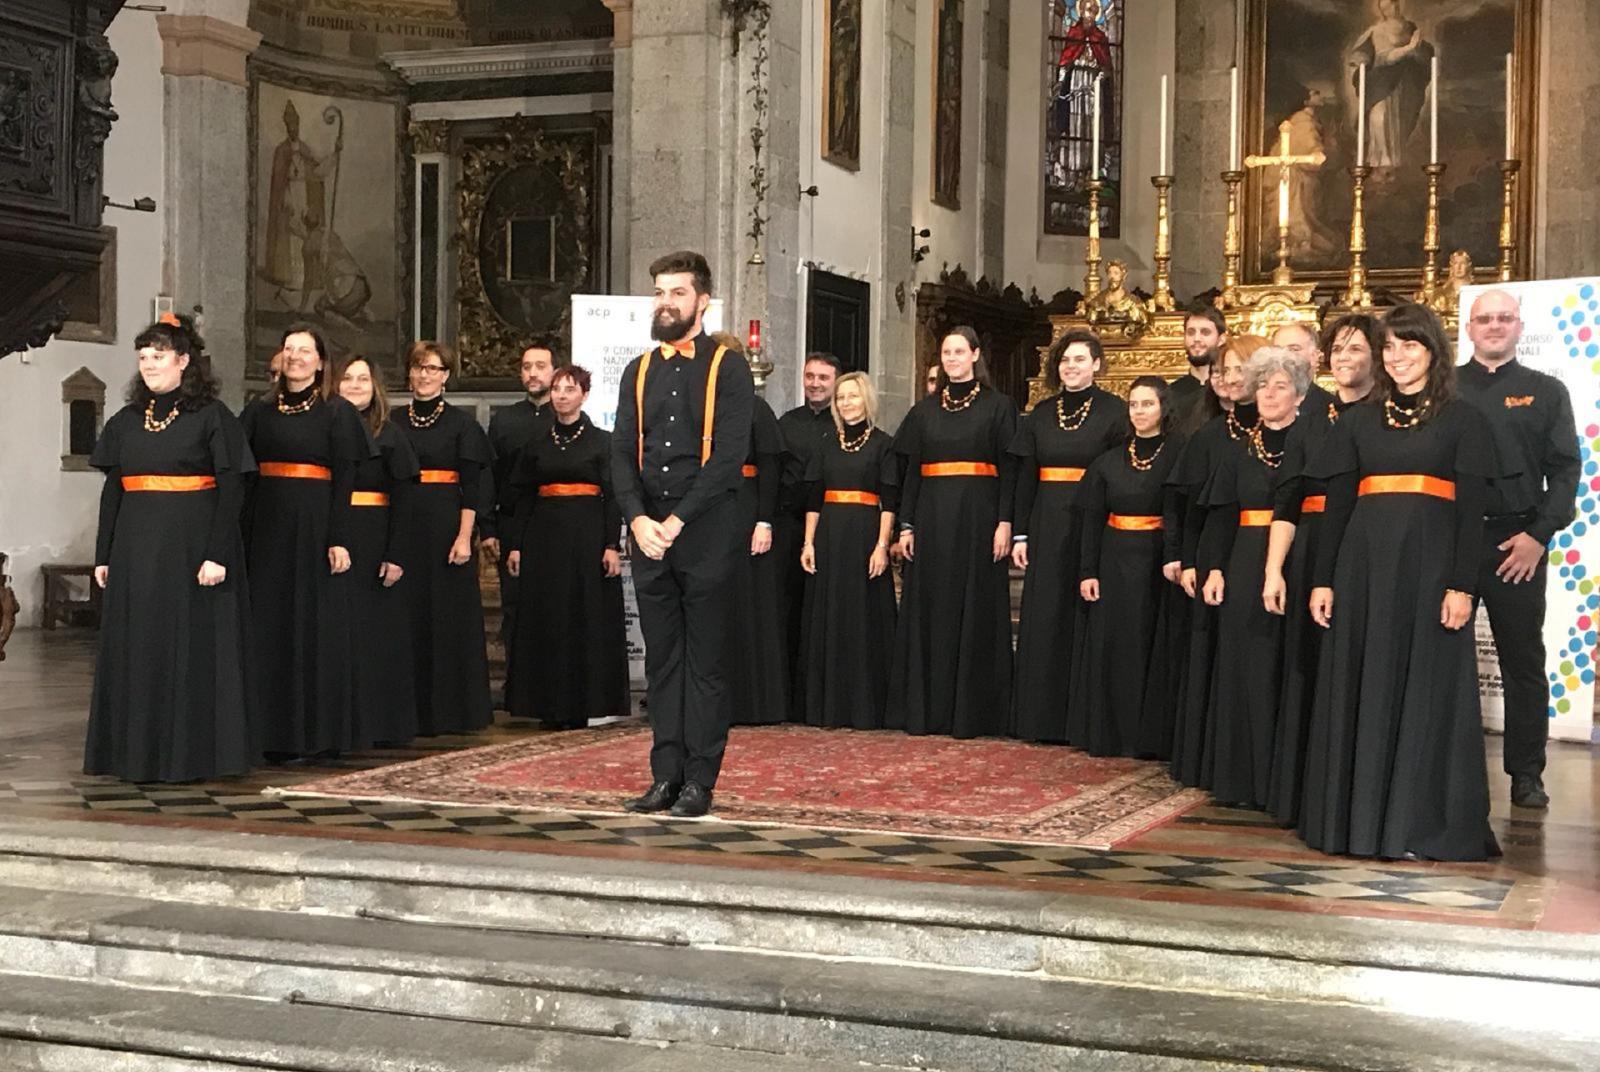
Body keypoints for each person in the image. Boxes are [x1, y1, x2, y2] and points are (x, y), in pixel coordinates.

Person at [1302, 303, 1500, 861]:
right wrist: (1323, 581)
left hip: (1431, 576)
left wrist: (1464, 585)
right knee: (1361, 684)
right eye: (1389, 347)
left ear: (1434, 351)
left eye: (1409, 346)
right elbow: (1338, 504)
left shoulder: (1465, 420)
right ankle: (1358, 824)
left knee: (1426, 691)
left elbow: (1471, 514)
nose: (1398, 357)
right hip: (1361, 574)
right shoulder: (1360, 421)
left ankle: (1418, 826)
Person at [611, 251, 754, 818]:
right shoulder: (638, 370)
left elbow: (727, 459)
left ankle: (700, 779)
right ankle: (664, 775)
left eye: (676, 292)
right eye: (659, 292)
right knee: (663, 661)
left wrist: (675, 521)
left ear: (702, 302)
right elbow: (621, 452)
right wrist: (638, 519)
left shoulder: (728, 367)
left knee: (706, 662)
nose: (664, 301)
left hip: (705, 530)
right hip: (649, 535)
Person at [86, 315, 258, 782]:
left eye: (158, 356)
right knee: (139, 646)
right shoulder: (126, 421)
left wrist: (218, 554)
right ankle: (133, 752)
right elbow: (114, 491)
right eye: (143, 357)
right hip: (136, 554)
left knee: (189, 648)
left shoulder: (212, 417)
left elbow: (232, 489)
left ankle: (190, 754)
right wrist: (103, 554)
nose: (148, 365)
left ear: (184, 361)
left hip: (192, 552)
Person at [1458, 289, 1580, 809]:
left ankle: (1527, 773)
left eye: (1504, 318)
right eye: (1485, 319)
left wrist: (1539, 535)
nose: (1494, 326)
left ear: (1519, 326)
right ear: (1469, 327)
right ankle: (1451, 769)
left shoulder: (1546, 391)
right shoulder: (1445, 388)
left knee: (1523, 660)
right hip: (1454, 540)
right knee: (1446, 659)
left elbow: (1566, 471)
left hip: (1519, 543)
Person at [1262, 314, 1379, 825]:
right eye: (1337, 350)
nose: (1345, 358)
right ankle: (1308, 794)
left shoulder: (1389, 414)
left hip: (1372, 551)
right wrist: (1274, 570)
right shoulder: (1315, 417)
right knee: (1308, 672)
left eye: (1356, 348)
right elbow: (1286, 498)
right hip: (1312, 553)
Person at [240, 325, 369, 757]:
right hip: (267, 526)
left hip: (315, 528)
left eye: (304, 350)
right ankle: (265, 730)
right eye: (289, 348)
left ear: (320, 361)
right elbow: (243, 471)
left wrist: (339, 537)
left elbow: (346, 478)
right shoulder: (258, 410)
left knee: (311, 625)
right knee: (268, 625)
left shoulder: (338, 412)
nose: (295, 356)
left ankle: (312, 732)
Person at [889, 326, 1018, 738]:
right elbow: (910, 474)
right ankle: (929, 709)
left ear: (976, 355)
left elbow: (1010, 471)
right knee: (932, 608)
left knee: (975, 606)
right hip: (931, 519)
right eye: (946, 352)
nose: (952, 359)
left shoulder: (999, 407)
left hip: (979, 519)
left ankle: (973, 713)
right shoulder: (924, 411)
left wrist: (1005, 523)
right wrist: (905, 526)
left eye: (959, 351)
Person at [1196, 348, 1307, 807]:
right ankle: (1243, 778)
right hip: (1243, 557)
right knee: (1246, 664)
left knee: (1286, 664)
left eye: (1280, 385)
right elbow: (1220, 515)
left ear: (1299, 395)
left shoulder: (1313, 441)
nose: (1269, 393)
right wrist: (1214, 568)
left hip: (1297, 558)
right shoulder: (1239, 450)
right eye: (1262, 385)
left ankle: (1284, 781)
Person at [1008, 328, 1127, 742]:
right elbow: (1025, 476)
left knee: (1082, 614)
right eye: (1065, 360)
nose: (1071, 367)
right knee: (1045, 615)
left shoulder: (1116, 411)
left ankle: (1082, 719)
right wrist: (1020, 533)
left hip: (1093, 520)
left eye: (1079, 359)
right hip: (1046, 521)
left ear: (1096, 364)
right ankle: (1040, 718)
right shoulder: (1041, 413)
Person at [504, 365, 628, 729]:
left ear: (584, 395)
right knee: (548, 617)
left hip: (588, 539)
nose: (561, 395)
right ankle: (546, 703)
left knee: (585, 616)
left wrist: (611, 544)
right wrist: (516, 546)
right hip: (544, 541)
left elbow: (614, 498)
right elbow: (522, 498)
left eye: (569, 389)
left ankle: (587, 702)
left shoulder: (603, 441)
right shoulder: (536, 443)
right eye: (557, 389)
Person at [1167, 334, 1266, 786]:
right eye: (1223, 371)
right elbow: (1188, 506)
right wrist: (1186, 559)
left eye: (1238, 369)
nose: (1228, 379)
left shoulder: (1280, 427)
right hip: (1212, 551)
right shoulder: (1207, 435)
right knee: (1210, 651)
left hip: (1263, 549)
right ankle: (1210, 760)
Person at [1071, 375, 1183, 757]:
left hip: (1157, 562)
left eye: (1147, 404)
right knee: (1114, 645)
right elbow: (1092, 519)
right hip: (1114, 558)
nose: (1139, 412)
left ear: (1163, 409)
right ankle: (1111, 733)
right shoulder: (1108, 460)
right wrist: (1087, 571)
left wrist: (1174, 556)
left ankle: (1147, 737)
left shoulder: (1178, 453)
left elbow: (1177, 513)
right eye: (1134, 404)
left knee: (1148, 645)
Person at [391, 340, 495, 736]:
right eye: (419, 368)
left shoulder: (462, 425)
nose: (424, 375)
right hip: (405, 526)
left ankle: (452, 711)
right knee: (407, 617)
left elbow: (473, 486)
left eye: (433, 369)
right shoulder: (395, 422)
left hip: (447, 529)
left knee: (447, 619)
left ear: (446, 376)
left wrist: (465, 536)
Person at [797, 371, 899, 729]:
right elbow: (813, 498)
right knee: (829, 614)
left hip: (865, 536)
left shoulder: (884, 444)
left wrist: (882, 546)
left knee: (862, 616)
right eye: (841, 398)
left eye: (852, 396)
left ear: (866, 399)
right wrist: (808, 542)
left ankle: (864, 706)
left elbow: (889, 501)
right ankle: (827, 706)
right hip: (829, 536)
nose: (846, 403)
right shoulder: (825, 443)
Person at [329, 354, 420, 747]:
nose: (353, 385)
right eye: (347, 378)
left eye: (362, 379)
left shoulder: (390, 433)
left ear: (375, 387)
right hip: (333, 536)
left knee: (376, 638)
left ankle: (379, 725)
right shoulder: (324, 426)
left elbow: (406, 495)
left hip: (375, 539)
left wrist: (397, 553)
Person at [483, 341, 557, 707]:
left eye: (540, 366)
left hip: (557, 527)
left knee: (554, 607)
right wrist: (490, 529)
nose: (533, 373)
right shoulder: (505, 421)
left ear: (555, 372)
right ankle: (516, 691)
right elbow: (490, 479)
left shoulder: (566, 418)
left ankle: (552, 689)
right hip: (512, 524)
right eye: (527, 366)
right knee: (514, 610)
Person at [723, 332, 790, 725]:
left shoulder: (755, 409)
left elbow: (770, 468)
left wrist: (764, 520)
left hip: (748, 511)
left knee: (749, 605)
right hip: (710, 512)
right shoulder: (704, 407)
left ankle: (752, 701)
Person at [777, 353, 840, 685]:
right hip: (790, 526)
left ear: (836, 381)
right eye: (810, 376)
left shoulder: (845, 426)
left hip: (831, 527)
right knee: (790, 605)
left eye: (823, 378)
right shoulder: (786, 423)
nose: (815, 383)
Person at [1167, 305, 1228, 426]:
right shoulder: (1171, 393)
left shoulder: (1228, 389)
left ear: (1221, 339)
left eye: (1205, 332)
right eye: (1191, 332)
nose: (1196, 339)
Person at [1270, 320, 1336, 422]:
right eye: (1278, 350)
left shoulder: (1332, 409)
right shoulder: (1262, 404)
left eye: (1294, 349)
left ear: (1314, 356)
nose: (1284, 356)